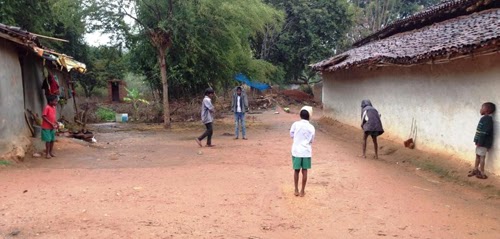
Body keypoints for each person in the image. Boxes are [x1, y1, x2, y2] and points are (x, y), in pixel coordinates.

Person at [290, 106, 315, 197]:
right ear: (309, 116)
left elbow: (291, 134)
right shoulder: (311, 127)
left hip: (296, 151)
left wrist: (297, 139)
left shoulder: (295, 124)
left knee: (296, 171)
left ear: (300, 115)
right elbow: (312, 140)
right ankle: (302, 191)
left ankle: (296, 189)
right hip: (306, 151)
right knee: (305, 171)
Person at [468, 102, 495, 179]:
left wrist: (480, 142)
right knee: (477, 156)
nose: (480, 109)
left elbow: (485, 132)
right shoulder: (484, 118)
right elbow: (480, 131)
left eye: (482, 108)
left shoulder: (488, 120)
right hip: (480, 142)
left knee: (482, 157)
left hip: (483, 143)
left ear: (486, 110)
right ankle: (475, 169)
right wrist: (476, 140)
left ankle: (482, 173)